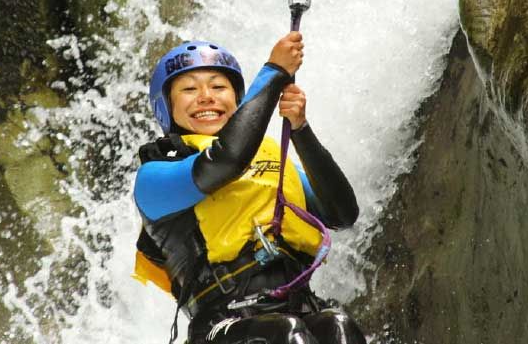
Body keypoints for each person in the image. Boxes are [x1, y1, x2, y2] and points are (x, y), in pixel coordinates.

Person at [133, 32, 366, 344]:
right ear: (166, 107)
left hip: (296, 306)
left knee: (338, 326)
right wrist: (274, 71)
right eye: (189, 89)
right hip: (220, 325)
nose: (206, 96)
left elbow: (342, 213)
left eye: (218, 87)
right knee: (285, 334)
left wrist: (300, 129)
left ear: (238, 102)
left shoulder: (273, 163)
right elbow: (225, 161)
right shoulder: (154, 177)